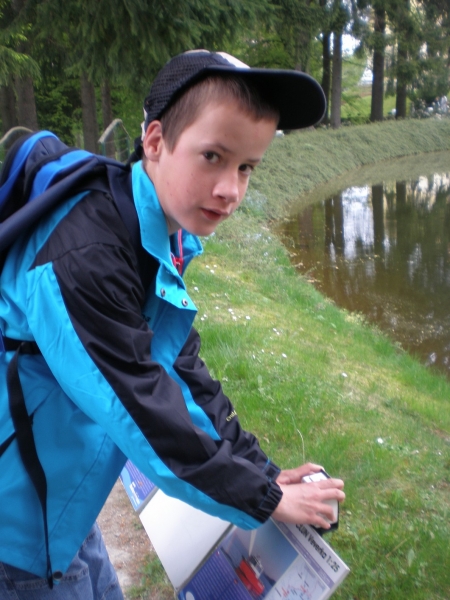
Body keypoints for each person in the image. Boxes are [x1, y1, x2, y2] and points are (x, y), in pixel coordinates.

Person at [0, 50, 345, 599]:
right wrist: (265, 500)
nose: (231, 189)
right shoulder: (86, 252)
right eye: (213, 156)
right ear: (155, 141)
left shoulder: (149, 232)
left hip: (61, 502)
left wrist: (262, 472)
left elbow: (179, 367)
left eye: (246, 167)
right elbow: (142, 408)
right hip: (15, 526)